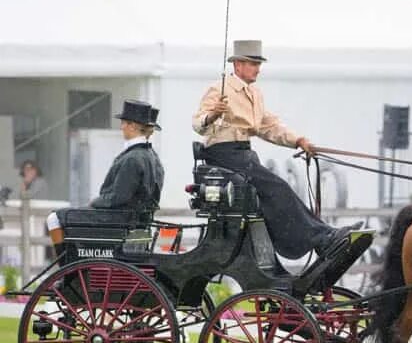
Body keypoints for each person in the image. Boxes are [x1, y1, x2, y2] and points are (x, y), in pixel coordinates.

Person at [193, 40, 354, 260]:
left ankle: (322, 236)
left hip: (244, 156)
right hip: (223, 155)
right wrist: (213, 115)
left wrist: (299, 140)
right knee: (278, 187)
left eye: (259, 64)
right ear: (238, 65)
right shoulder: (220, 88)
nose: (258, 69)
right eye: (253, 64)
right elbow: (198, 123)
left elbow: (269, 126)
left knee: (279, 190)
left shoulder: (255, 94)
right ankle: (322, 237)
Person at [46, 100, 165, 256]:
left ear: (132, 126)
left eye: (123, 123)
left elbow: (118, 197)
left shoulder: (132, 159)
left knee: (54, 218)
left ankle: (66, 266)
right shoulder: (153, 158)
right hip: (135, 222)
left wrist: (95, 202)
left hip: (117, 221)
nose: (121, 127)